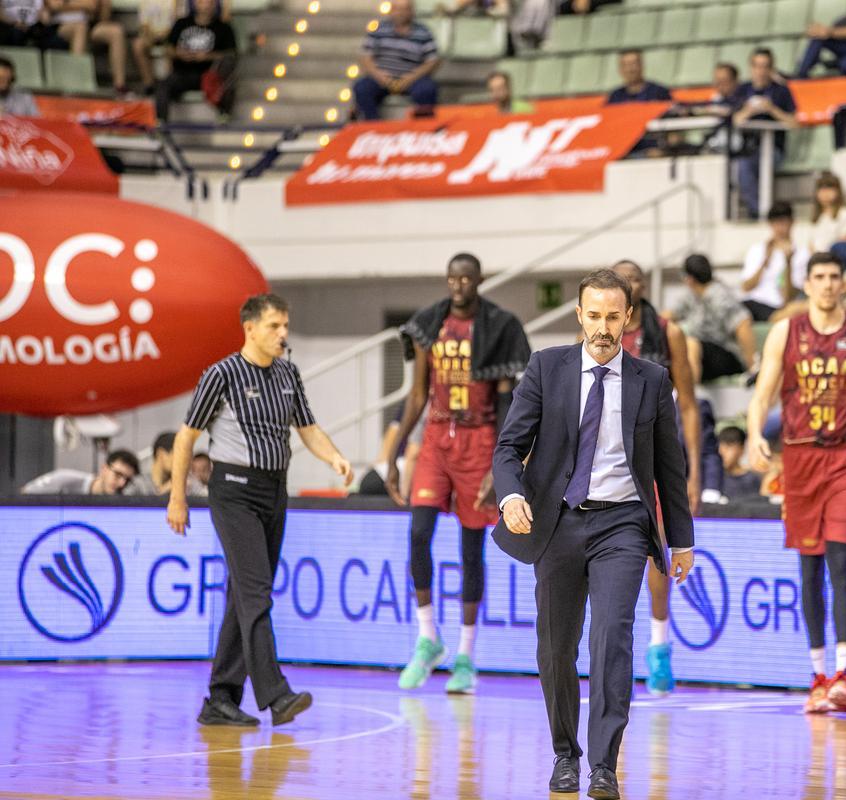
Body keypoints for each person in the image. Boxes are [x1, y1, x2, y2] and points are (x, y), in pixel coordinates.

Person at [491, 268, 694, 799]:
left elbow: (670, 468)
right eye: (594, 316)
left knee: (611, 639)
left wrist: (682, 538)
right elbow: (508, 448)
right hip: (557, 521)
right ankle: (565, 754)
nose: (603, 328)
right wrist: (511, 495)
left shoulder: (651, 379)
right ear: (579, 315)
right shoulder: (546, 367)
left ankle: (604, 764)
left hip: (623, 522)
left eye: (613, 317)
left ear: (628, 317)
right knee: (557, 647)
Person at [167, 293, 354, 728]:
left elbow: (307, 428)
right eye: (274, 326)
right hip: (233, 491)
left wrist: (334, 458)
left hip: (274, 490)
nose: (282, 333)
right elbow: (184, 438)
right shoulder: (222, 374)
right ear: (249, 328)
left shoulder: (288, 373)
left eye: (285, 325)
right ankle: (276, 694)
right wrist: (177, 497)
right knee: (256, 593)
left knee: (243, 596)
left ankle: (220, 698)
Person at [746, 252, 846, 714]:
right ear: (807, 284)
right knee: (809, 568)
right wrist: (755, 434)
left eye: (836, 277)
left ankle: (843, 672)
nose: (829, 285)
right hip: (798, 457)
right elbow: (761, 396)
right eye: (820, 277)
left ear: (844, 284)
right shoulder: (785, 332)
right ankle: (816, 675)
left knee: (840, 558)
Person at [386, 253, 530, 694]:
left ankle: (466, 655)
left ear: (479, 280)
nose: (458, 285)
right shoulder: (431, 324)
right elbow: (416, 395)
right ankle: (428, 637)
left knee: (472, 549)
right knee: (418, 533)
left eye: (466, 278)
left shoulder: (500, 327)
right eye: (452, 278)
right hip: (435, 437)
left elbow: (507, 402)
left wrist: (501, 463)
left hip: (479, 439)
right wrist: (392, 452)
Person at [611, 259, 702, 696]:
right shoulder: (597, 332)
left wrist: (696, 470)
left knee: (658, 550)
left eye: (637, 279)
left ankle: (660, 646)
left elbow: (687, 404)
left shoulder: (668, 332)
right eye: (623, 278)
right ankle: (613, 650)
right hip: (609, 457)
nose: (632, 284)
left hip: (653, 453)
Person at [668, 253, 759, 382]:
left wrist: (753, 367)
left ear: (689, 279)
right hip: (703, 356)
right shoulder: (693, 295)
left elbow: (742, 323)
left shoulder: (720, 297)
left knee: (690, 345)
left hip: (729, 357)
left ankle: (689, 400)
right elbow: (672, 314)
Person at [731, 47, 798, 219]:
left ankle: (759, 214)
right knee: (741, 165)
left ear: (771, 68)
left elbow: (793, 122)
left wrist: (772, 109)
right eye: (757, 66)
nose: (761, 71)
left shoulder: (781, 91)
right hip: (747, 148)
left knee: (746, 166)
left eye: (765, 66)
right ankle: (759, 212)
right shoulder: (742, 90)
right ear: (751, 68)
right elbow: (735, 120)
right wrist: (749, 110)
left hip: (774, 149)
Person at [353, 0, 440, 120]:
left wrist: (410, 77)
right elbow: (365, 57)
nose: (401, 13)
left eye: (405, 9)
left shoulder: (423, 32)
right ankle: (372, 125)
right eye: (397, 9)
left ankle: (423, 127)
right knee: (362, 87)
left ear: (411, 11)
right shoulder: (378, 30)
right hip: (382, 78)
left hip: (412, 78)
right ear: (391, 11)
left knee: (427, 89)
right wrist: (379, 76)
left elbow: (432, 61)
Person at [156, 0, 236, 122]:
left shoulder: (223, 28)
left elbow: (231, 54)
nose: (205, 5)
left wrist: (207, 56)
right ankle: (161, 124)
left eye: (209, 1)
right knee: (163, 85)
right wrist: (179, 53)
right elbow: (168, 48)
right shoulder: (181, 24)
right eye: (201, 1)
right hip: (182, 74)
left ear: (215, 4)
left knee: (227, 79)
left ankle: (224, 115)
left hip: (209, 75)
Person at [740, 200, 809, 321]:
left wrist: (788, 263)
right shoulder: (757, 249)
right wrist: (765, 262)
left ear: (792, 222)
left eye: (783, 222)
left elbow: (788, 297)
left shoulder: (801, 253)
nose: (779, 227)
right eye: (775, 223)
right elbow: (746, 287)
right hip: (751, 303)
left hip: (776, 307)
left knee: (796, 309)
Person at [22, 449, 138, 495]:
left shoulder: (122, 500)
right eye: (118, 475)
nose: (122, 483)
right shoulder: (64, 480)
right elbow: (25, 493)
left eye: (127, 480)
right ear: (104, 469)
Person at [132, 0, 178, 94]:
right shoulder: (146, 2)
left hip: (172, 35)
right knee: (138, 45)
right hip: (151, 36)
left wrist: (167, 35)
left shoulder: (176, 2)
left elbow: (180, 22)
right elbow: (144, 24)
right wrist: (154, 36)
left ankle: (170, 85)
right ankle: (149, 84)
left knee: (172, 46)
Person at [808, 172, 846, 254]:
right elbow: (811, 242)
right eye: (821, 189)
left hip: (835, 258)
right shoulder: (817, 217)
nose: (825, 193)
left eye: (829, 188)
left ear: (838, 191)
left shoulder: (844, 213)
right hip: (817, 259)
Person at [717, 426, 762, 500]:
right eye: (720, 447)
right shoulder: (714, 478)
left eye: (728, 447)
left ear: (742, 449)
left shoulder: (752, 479)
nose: (722, 452)